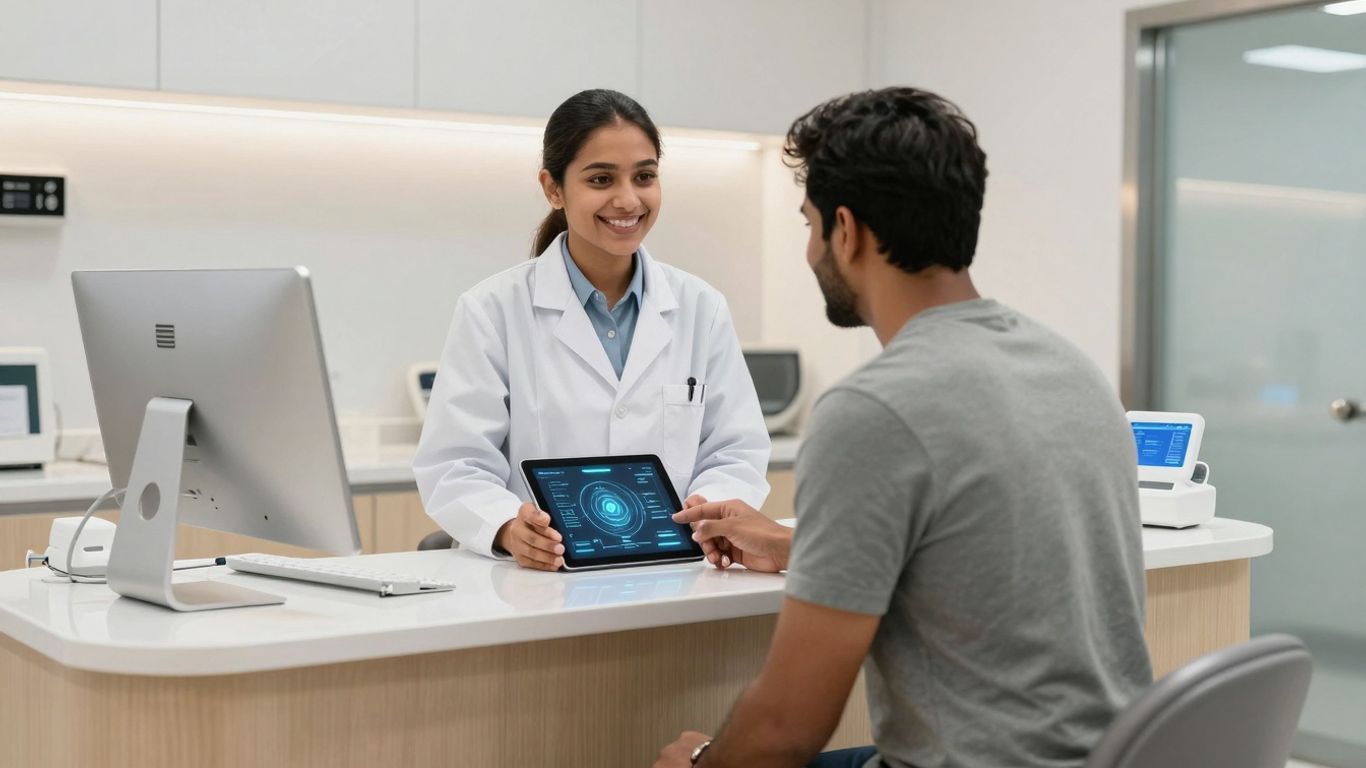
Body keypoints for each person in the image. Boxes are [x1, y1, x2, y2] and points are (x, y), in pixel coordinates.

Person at [655, 87, 1152, 768]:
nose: (809, 250)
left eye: (809, 225)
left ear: (848, 231)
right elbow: (974, 566)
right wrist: (790, 546)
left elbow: (787, 727)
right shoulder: (1073, 370)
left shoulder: (873, 412)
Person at [413, 89, 770, 571]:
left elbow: (737, 448)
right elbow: (454, 465)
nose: (628, 199)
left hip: (674, 572)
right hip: (539, 582)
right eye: (601, 179)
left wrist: (707, 510)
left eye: (645, 176)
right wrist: (506, 527)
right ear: (553, 188)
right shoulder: (492, 310)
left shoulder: (700, 307)